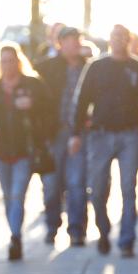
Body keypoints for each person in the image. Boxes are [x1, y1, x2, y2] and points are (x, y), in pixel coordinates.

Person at [70, 24, 138, 258]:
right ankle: (103, 231)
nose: (118, 40)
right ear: (109, 40)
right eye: (114, 36)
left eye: (122, 37)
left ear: (129, 40)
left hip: (130, 134)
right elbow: (82, 101)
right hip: (100, 135)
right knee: (98, 188)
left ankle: (126, 239)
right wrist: (75, 134)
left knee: (128, 188)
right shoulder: (96, 68)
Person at [0, 43, 55, 261]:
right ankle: (14, 231)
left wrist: (32, 104)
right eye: (4, 61)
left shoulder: (33, 85)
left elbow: (50, 109)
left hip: (25, 150)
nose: (8, 65)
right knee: (8, 196)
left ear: (19, 62)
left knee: (18, 195)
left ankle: (15, 237)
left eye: (11, 60)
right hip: (1, 150)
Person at [36, 25, 91, 246]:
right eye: (69, 40)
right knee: (51, 184)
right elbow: (37, 101)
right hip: (53, 134)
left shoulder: (89, 68)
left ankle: (77, 229)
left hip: (80, 133)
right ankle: (52, 226)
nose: (74, 44)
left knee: (77, 183)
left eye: (76, 40)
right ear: (60, 44)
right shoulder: (46, 69)